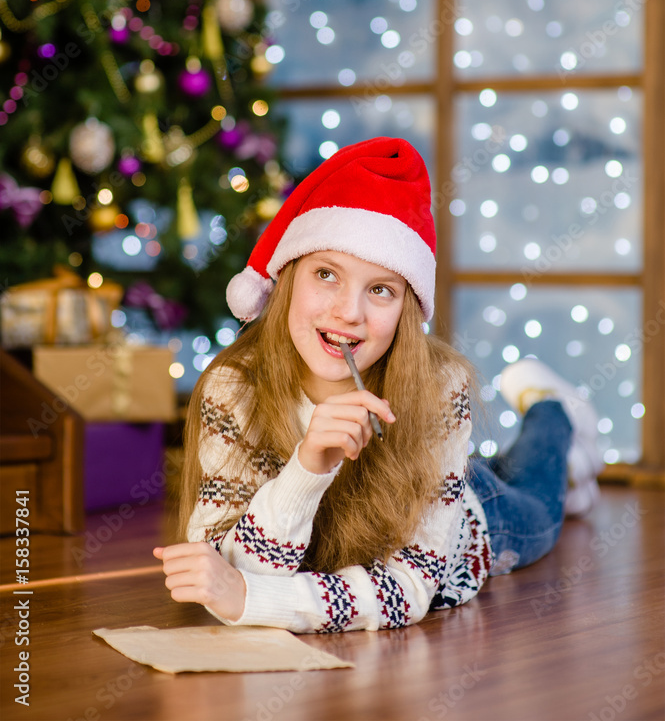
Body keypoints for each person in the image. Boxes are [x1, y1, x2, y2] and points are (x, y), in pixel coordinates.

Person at [153, 136, 602, 632]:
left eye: (381, 290)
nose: (349, 312)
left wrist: (253, 599)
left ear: (406, 309)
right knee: (504, 468)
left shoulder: (438, 387)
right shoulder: (232, 388)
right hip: (433, 486)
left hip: (467, 523)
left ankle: (552, 409)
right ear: (286, 280)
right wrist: (307, 468)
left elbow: (410, 588)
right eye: (326, 274)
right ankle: (571, 462)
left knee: (541, 503)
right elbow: (231, 577)